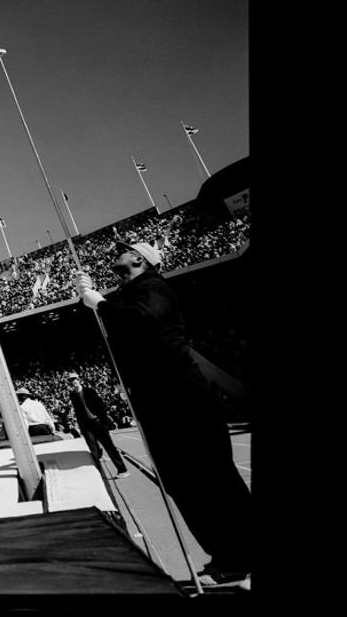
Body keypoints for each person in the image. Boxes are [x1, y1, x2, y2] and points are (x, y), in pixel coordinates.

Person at [74, 241, 252, 587]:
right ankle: (228, 555)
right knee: (184, 483)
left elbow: (141, 320)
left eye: (124, 250)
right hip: (161, 401)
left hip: (181, 398)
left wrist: (100, 302)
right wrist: (88, 296)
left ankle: (244, 551)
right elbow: (117, 323)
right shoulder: (130, 293)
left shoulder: (154, 286)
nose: (116, 254)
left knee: (212, 478)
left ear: (139, 259)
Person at [63, 370, 129, 478]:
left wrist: (103, 422)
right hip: (86, 426)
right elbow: (78, 412)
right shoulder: (73, 395)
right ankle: (99, 474)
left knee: (109, 447)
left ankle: (123, 470)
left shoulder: (89, 391)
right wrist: (82, 428)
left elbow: (100, 406)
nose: (72, 382)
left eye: (74, 379)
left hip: (98, 423)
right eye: (70, 380)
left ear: (78, 380)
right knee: (93, 451)